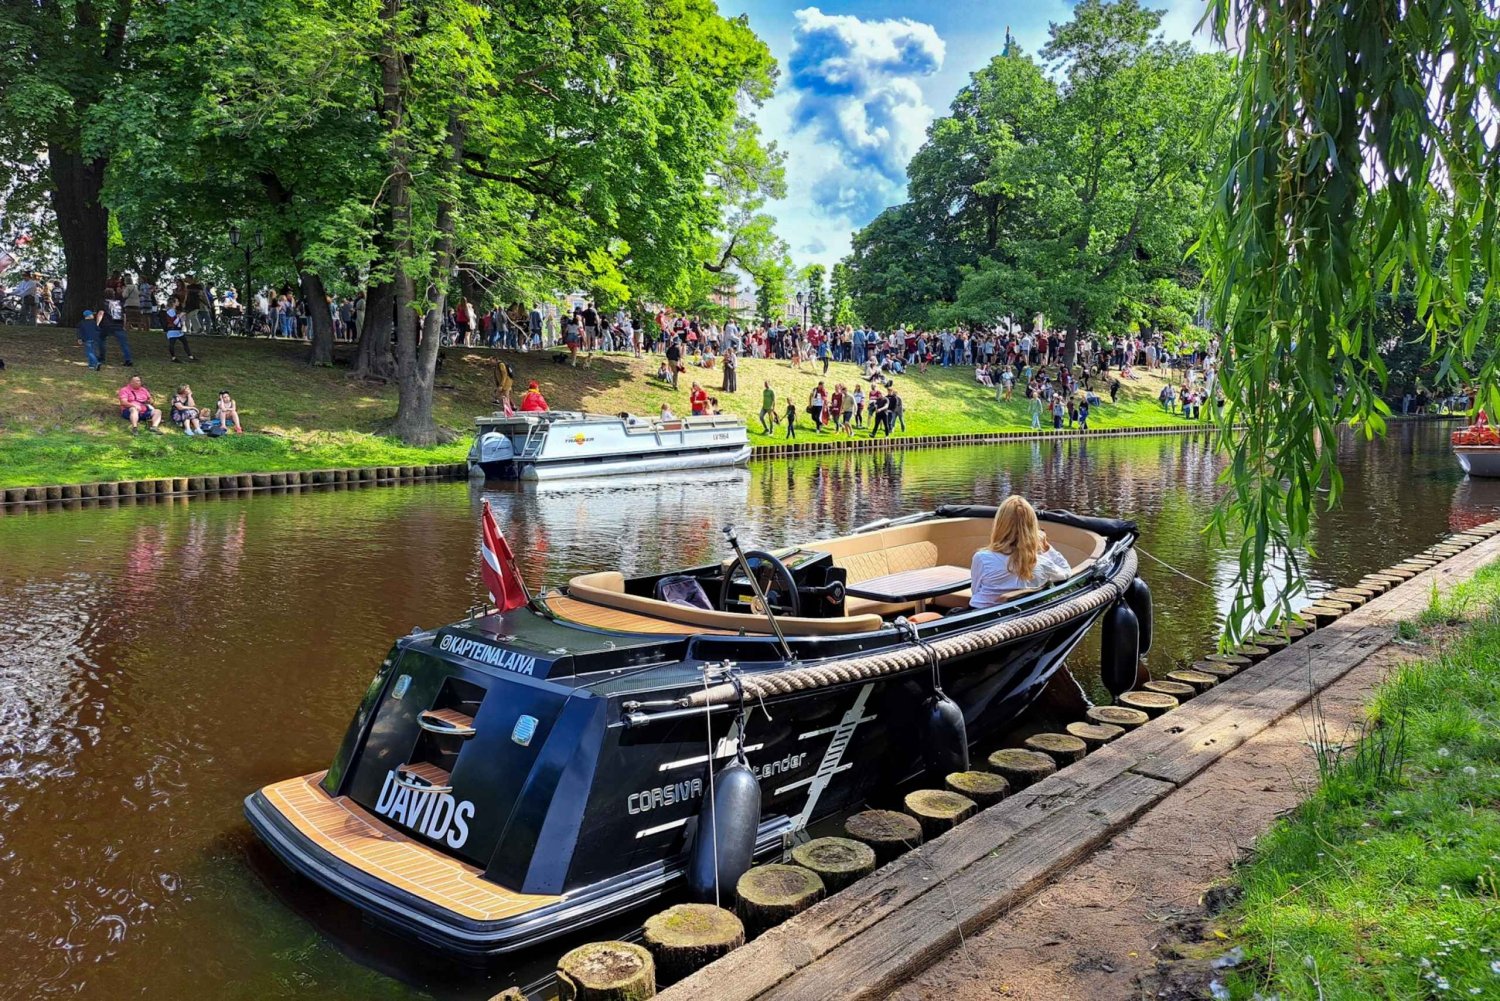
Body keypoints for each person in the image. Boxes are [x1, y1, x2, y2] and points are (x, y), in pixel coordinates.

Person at [969, 497, 1073, 609]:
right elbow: (1066, 572)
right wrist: (1046, 547)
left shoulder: (982, 558)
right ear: (1032, 528)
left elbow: (975, 591)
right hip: (1022, 615)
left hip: (981, 613)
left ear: (999, 525)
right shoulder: (1043, 563)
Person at [164, 296, 197, 362]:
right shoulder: (171, 311)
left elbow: (178, 321)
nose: (178, 302)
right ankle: (174, 358)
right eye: (177, 301)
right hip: (173, 330)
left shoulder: (174, 310)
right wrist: (180, 316)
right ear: (173, 303)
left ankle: (190, 356)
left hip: (177, 330)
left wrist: (182, 317)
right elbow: (174, 322)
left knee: (184, 342)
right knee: (173, 344)